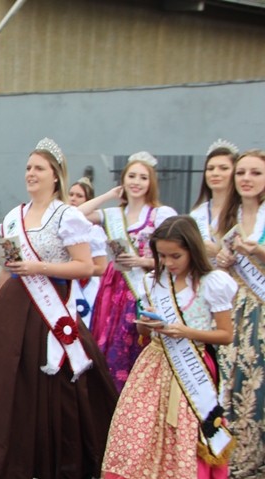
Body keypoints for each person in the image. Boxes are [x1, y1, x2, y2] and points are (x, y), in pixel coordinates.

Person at [0, 138, 118, 479]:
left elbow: (86, 266)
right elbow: (9, 267)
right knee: (6, 392)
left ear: (56, 175)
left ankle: (95, 462)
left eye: (39, 168)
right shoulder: (12, 217)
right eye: (28, 168)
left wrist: (39, 267)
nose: (31, 174)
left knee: (68, 386)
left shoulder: (67, 216)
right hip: (12, 308)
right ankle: (5, 477)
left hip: (52, 311)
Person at [80, 215, 237, 479]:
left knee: (179, 452)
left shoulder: (213, 284)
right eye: (163, 256)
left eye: (175, 256)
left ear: (192, 251)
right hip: (154, 367)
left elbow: (226, 334)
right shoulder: (159, 280)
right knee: (141, 447)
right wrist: (147, 327)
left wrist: (187, 330)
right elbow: (150, 333)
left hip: (191, 372)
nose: (168, 263)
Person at [80, 152, 178, 391]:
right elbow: (75, 214)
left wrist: (142, 261)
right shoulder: (113, 215)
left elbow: (175, 257)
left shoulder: (161, 214)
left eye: (143, 177)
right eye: (131, 176)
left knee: (137, 340)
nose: (136, 182)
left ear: (151, 182)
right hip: (114, 287)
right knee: (110, 342)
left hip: (145, 287)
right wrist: (109, 195)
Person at [215, 149, 265, 479]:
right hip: (236, 311)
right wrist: (222, 261)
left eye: (256, 173)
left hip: (262, 316)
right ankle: (228, 476)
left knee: (257, 394)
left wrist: (259, 255)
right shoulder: (229, 217)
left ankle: (256, 478)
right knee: (228, 390)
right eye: (242, 172)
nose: (247, 178)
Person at [190, 140, 239, 262]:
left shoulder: (243, 211)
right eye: (210, 168)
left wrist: (218, 252)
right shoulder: (197, 213)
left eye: (223, 168)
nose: (215, 173)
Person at [69, 177, 108, 328]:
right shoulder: (57, 224)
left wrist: (76, 268)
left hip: (86, 287)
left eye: (79, 196)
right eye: (71, 194)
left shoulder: (94, 230)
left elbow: (101, 267)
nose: (73, 198)